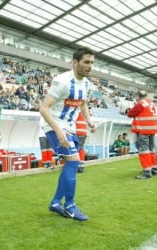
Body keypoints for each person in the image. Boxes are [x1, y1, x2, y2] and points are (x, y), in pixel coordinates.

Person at [39, 47, 96, 221]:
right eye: (86, 62)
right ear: (75, 62)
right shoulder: (62, 81)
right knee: (74, 160)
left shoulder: (86, 84)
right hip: (53, 125)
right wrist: (57, 129)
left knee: (71, 164)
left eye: (92, 63)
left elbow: (83, 103)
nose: (90, 66)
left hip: (69, 127)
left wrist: (89, 121)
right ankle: (69, 205)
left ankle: (56, 202)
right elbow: (44, 108)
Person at [127, 90, 157, 179]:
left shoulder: (141, 103)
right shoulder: (150, 103)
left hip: (144, 130)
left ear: (138, 96)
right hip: (152, 130)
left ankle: (147, 172)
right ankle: (154, 169)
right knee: (151, 150)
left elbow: (130, 114)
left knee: (144, 151)